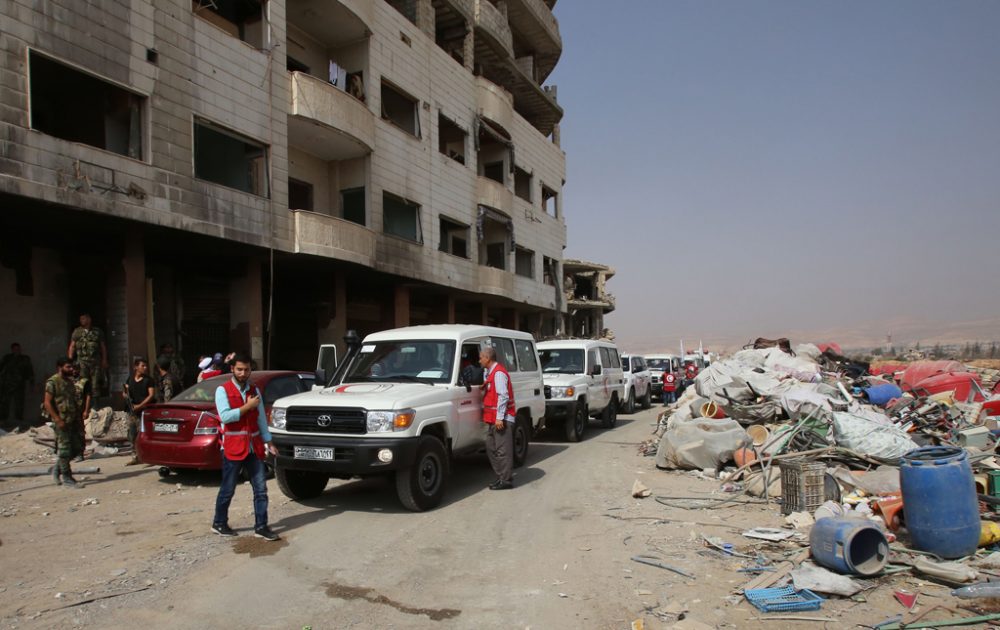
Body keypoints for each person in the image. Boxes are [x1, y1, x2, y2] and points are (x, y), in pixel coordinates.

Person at [211, 353, 280, 541]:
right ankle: (219, 523)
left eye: (247, 369)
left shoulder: (254, 390)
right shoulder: (222, 390)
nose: (243, 373)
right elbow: (225, 417)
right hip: (233, 448)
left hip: (254, 447)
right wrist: (246, 407)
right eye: (239, 369)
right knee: (228, 488)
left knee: (260, 488)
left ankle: (261, 526)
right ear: (232, 369)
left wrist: (269, 441)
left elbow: (260, 419)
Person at [43, 357, 84, 488]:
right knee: (65, 450)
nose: (71, 369)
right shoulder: (53, 382)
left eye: (71, 367)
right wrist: (57, 419)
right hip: (61, 421)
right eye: (68, 367)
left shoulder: (69, 382)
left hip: (72, 420)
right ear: (60, 367)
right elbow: (47, 403)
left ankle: (57, 469)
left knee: (76, 448)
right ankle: (67, 477)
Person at [479, 346, 515, 490]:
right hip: (494, 418)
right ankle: (502, 476)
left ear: (488, 358)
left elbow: (503, 395)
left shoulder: (498, 373)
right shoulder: (490, 372)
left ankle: (505, 480)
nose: (479, 360)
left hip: (502, 419)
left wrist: (500, 417)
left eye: (481, 357)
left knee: (502, 450)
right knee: (491, 447)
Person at [123, 358, 155, 465]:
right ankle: (136, 456)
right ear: (136, 367)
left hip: (145, 411)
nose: (145, 368)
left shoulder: (148, 380)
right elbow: (125, 390)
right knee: (132, 434)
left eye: (145, 366)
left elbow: (151, 395)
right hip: (132, 412)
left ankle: (149, 456)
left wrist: (140, 406)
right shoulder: (130, 379)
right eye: (142, 366)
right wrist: (125, 395)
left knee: (145, 434)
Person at [68, 313, 108, 397]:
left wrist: (104, 360)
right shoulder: (77, 332)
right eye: (80, 319)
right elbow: (72, 346)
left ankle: (95, 404)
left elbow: (103, 347)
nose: (81, 321)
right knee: (82, 382)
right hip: (82, 362)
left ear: (89, 319)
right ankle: (84, 404)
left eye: (84, 318)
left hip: (95, 361)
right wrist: (70, 361)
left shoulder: (97, 331)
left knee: (95, 383)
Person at [0, 342, 34, 429]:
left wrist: (31, 384)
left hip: (19, 386)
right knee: (4, 404)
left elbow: (30, 372)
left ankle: (19, 423)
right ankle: (3, 421)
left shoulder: (25, 359)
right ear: (12, 350)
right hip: (7, 385)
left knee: (19, 404)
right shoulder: (7, 358)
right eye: (15, 349)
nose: (17, 351)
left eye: (18, 349)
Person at [71, 361, 92, 462]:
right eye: (72, 368)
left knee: (79, 432)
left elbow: (88, 396)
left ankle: (80, 453)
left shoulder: (84, 381)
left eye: (76, 369)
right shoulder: (65, 381)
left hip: (79, 411)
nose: (74, 371)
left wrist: (86, 410)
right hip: (67, 411)